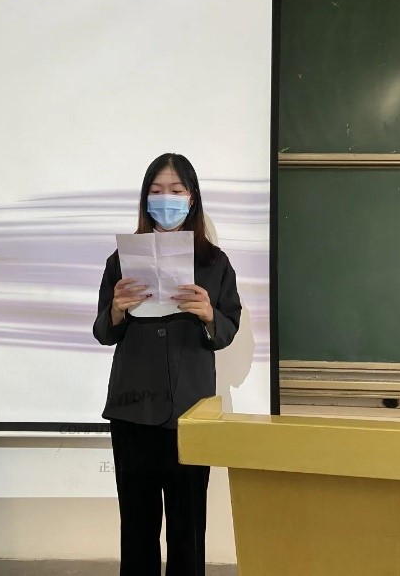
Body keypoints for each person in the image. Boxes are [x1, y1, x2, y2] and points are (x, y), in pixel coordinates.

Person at [93, 153, 241, 576]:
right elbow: (103, 331)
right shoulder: (120, 260)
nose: (166, 199)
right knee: (137, 529)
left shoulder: (214, 262)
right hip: (132, 409)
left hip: (190, 412)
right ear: (145, 199)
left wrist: (209, 314)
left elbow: (227, 329)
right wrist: (117, 310)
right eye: (156, 191)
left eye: (175, 190)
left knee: (187, 530)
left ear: (192, 198)